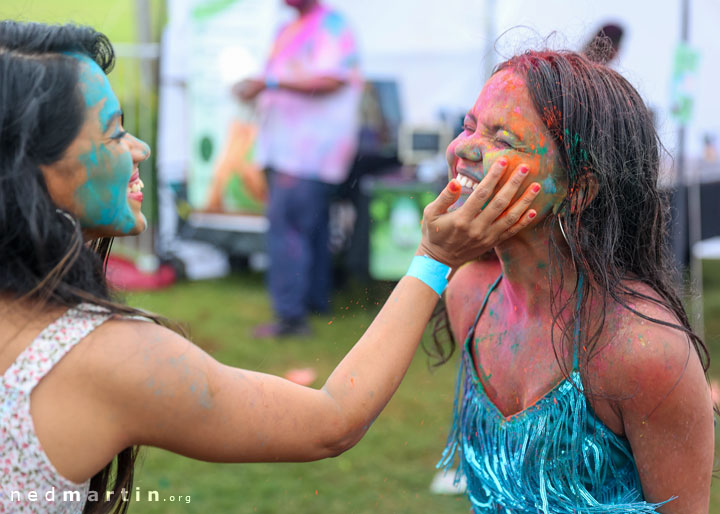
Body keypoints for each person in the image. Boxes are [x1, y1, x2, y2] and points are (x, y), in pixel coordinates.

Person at [0, 21, 543, 513]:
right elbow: (331, 421)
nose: (139, 148)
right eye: (116, 132)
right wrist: (433, 260)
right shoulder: (106, 356)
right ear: (36, 168)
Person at [430, 50, 714, 513]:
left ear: (578, 190)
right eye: (469, 124)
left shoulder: (643, 350)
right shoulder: (469, 295)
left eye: (503, 138)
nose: (463, 147)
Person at [234, 0, 363, 338]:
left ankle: (291, 318)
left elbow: (332, 79)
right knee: (311, 228)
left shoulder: (332, 24)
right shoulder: (289, 26)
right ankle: (314, 303)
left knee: (288, 228)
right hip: (285, 147)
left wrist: (270, 84)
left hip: (309, 152)